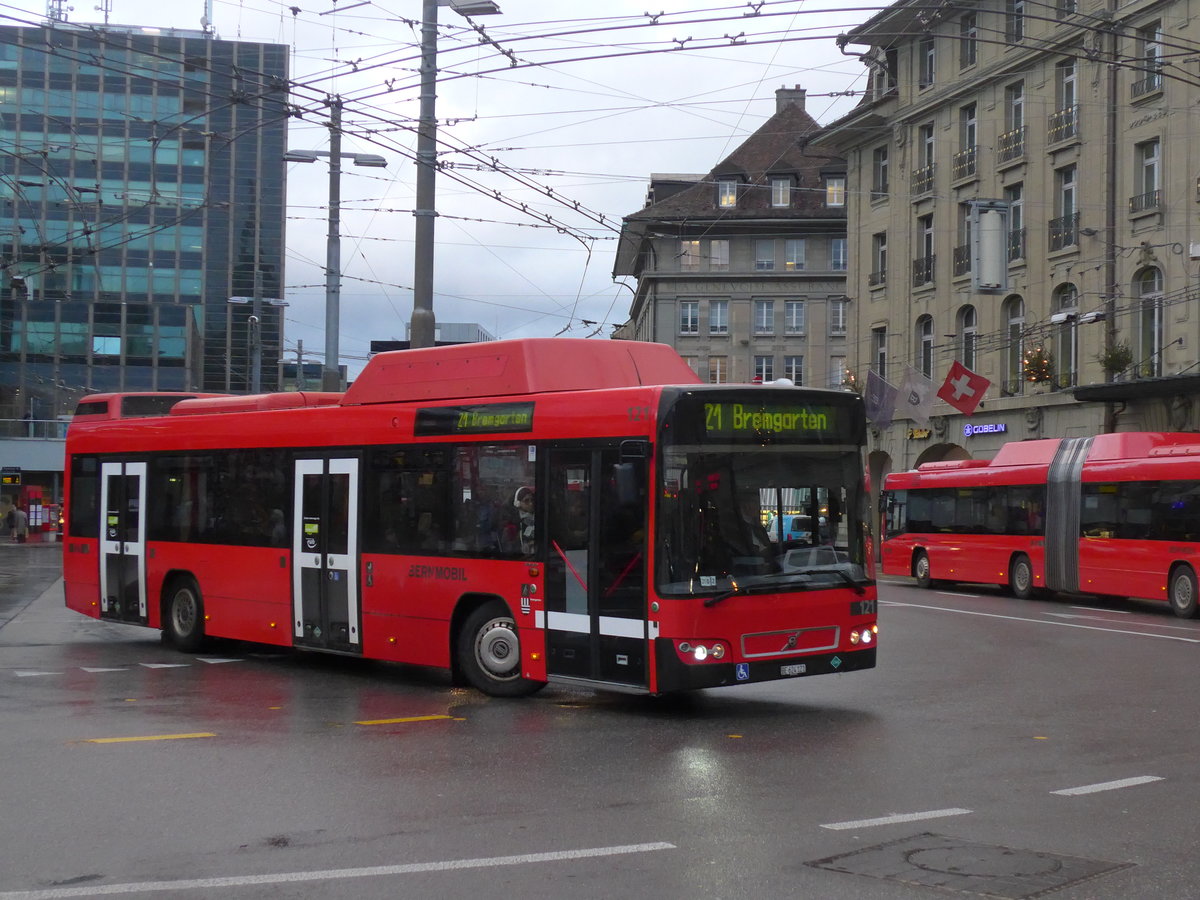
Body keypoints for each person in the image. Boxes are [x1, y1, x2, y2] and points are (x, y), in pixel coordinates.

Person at [514, 485, 536, 555]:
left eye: (532, 500)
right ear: (518, 503)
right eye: (526, 501)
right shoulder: (515, 521)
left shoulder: (538, 517)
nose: (531, 503)